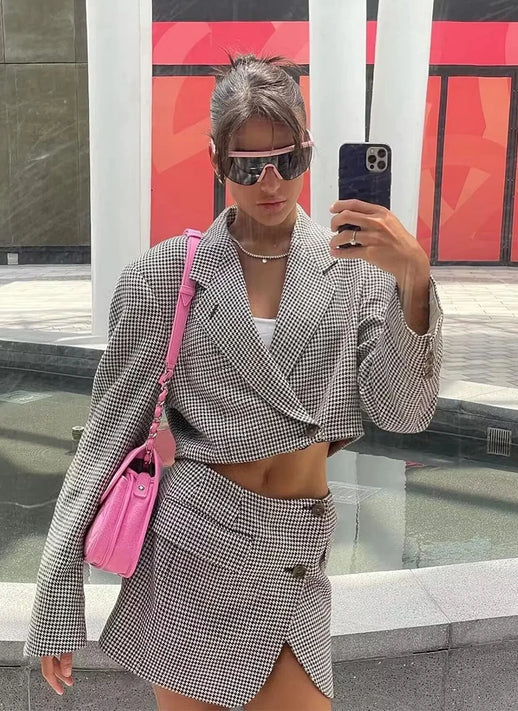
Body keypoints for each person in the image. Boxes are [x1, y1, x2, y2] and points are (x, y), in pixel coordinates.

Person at [23, 54, 443, 711]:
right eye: (249, 165)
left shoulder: (356, 270)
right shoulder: (167, 275)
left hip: (293, 555)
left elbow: (404, 413)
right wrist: (56, 594)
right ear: (217, 162)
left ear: (308, 152)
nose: (270, 181)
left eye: (287, 160)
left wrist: (413, 281)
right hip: (193, 553)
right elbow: (106, 439)